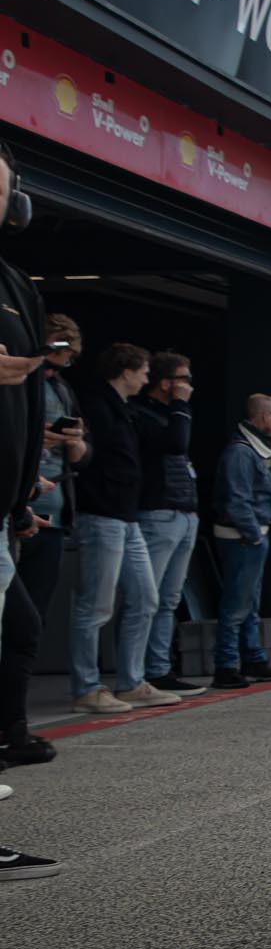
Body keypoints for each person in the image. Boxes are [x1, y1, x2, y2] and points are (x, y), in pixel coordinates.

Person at [0, 138, 58, 878]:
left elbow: (32, 392)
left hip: (4, 510)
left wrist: (18, 500)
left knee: (15, 633)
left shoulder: (15, 283)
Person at [68, 342, 171, 713]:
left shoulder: (125, 411)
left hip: (127, 517)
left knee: (145, 598)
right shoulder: (96, 407)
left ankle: (131, 682)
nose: (146, 379)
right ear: (126, 372)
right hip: (102, 514)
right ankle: (86, 687)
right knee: (95, 605)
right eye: (143, 372)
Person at [134, 350, 203, 693]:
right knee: (147, 598)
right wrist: (180, 406)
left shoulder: (173, 416)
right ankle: (137, 672)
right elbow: (176, 444)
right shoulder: (144, 415)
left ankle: (159, 668)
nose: (189, 386)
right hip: (158, 512)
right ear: (165, 383)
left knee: (169, 599)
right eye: (184, 379)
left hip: (184, 513)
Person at [212, 395, 271, 688]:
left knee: (247, 604)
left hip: (247, 535)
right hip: (243, 539)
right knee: (236, 605)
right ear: (265, 417)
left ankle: (252, 658)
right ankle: (226, 666)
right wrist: (255, 533)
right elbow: (238, 500)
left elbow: (245, 497)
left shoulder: (247, 451)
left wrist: (267, 512)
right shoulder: (242, 453)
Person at [20, 313, 86, 621]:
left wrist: (76, 443)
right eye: (48, 363)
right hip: (19, 508)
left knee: (37, 612)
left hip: (54, 514)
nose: (51, 372)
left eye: (61, 366)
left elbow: (84, 451)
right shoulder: (19, 383)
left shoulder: (62, 389)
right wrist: (34, 438)